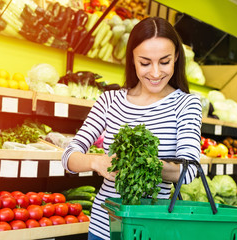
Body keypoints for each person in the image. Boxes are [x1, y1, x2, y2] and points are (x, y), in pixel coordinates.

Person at [61, 16, 202, 240]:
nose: (155, 73)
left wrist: (144, 165)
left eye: (164, 62)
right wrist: (96, 162)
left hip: (154, 229)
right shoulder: (109, 100)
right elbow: (69, 155)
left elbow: (189, 170)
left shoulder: (186, 104)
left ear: (176, 57)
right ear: (132, 60)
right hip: (103, 227)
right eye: (145, 63)